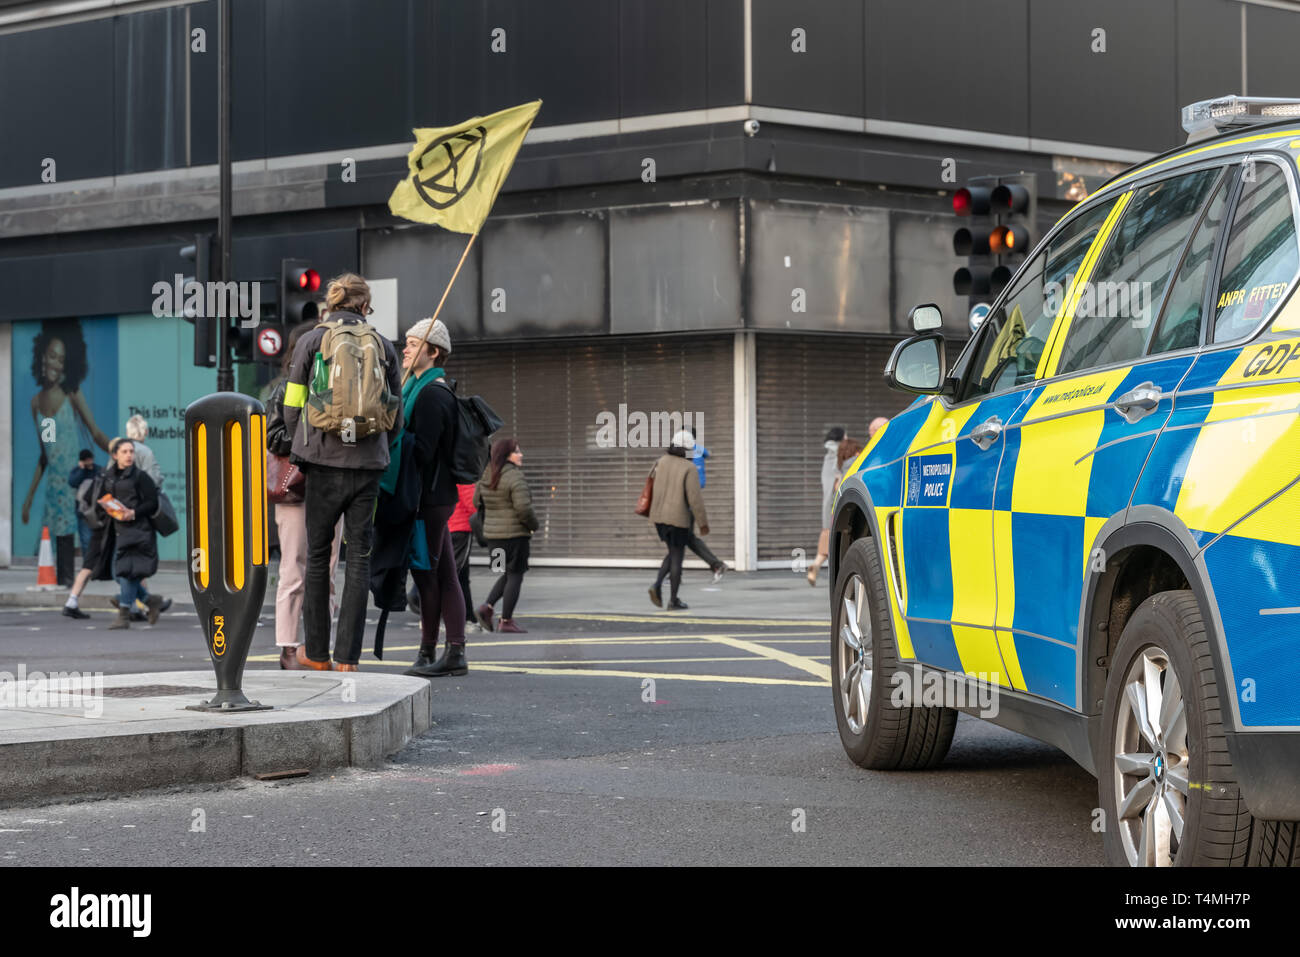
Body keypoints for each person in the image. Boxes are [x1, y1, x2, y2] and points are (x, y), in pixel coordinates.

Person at [281, 273, 403, 672]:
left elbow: (292, 403)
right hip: (368, 467)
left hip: (323, 464)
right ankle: (349, 658)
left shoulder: (312, 341)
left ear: (330, 304)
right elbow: (395, 417)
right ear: (365, 305)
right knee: (359, 558)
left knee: (318, 557)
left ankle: (316, 653)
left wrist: (304, 445)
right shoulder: (384, 346)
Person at [395, 317, 471, 677]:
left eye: (413, 344)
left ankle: (439, 652)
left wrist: (391, 434)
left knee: (428, 575)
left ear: (434, 351)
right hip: (433, 497)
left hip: (429, 498)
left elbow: (422, 451)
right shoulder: (418, 389)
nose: (405, 349)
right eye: (406, 343)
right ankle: (445, 651)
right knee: (441, 574)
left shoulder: (431, 395)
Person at [267, 321, 343, 670]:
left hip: (330, 488)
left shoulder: (336, 388)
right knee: (293, 570)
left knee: (326, 572)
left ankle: (319, 647)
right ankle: (287, 647)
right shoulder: (285, 390)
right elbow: (274, 438)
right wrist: (311, 434)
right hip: (297, 492)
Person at [21, 320, 111, 587]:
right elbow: (46, 453)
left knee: (81, 533)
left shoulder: (71, 393)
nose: (55, 364)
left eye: (61, 359)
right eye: (52, 356)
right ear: (41, 355)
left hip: (75, 483)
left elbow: (94, 432)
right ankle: (64, 580)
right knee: (57, 537)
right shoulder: (37, 403)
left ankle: (87, 575)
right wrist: (28, 500)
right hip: (55, 489)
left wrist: (116, 450)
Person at [93, 437, 164, 629]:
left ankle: (123, 613)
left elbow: (152, 502)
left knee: (127, 573)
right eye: (124, 452)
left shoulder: (141, 477)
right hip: (117, 531)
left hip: (139, 532)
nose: (129, 455)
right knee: (120, 574)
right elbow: (100, 498)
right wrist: (107, 508)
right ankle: (149, 600)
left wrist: (133, 512)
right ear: (115, 455)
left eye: (131, 452)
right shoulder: (108, 476)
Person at [474, 438, 538, 634]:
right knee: (516, 575)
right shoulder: (515, 478)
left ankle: (487, 607)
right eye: (517, 452)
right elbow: (523, 509)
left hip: (493, 538)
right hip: (515, 537)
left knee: (505, 573)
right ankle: (506, 620)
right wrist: (534, 526)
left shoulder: (486, 475)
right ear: (507, 456)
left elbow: (477, 502)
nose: (521, 455)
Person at [647, 429, 709, 610]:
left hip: (659, 518)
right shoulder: (688, 467)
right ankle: (672, 599)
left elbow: (650, 485)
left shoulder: (660, 462)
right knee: (677, 557)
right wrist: (702, 523)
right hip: (678, 518)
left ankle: (658, 586)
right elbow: (694, 499)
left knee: (673, 552)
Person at [683, 430, 726, 583]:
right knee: (684, 538)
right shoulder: (699, 449)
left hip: (686, 499)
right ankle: (672, 573)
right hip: (695, 495)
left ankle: (671, 574)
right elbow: (709, 453)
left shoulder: (684, 452)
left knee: (679, 539)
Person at [807, 426, 845, 587]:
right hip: (835, 504)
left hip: (826, 505)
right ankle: (837, 576)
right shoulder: (840, 457)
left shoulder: (827, 457)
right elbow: (839, 481)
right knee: (836, 540)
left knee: (827, 537)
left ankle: (815, 565)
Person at [448, 483, 480, 630]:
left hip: (447, 526)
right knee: (457, 575)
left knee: (459, 575)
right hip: (460, 528)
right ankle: (465, 617)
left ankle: (468, 616)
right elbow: (471, 504)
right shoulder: (464, 476)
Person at [67, 449, 101, 558]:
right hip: (83, 512)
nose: (88, 462)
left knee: (98, 539)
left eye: (89, 459)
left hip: (98, 511)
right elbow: (72, 482)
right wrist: (82, 470)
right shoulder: (78, 471)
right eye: (85, 460)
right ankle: (88, 564)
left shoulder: (98, 470)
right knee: (86, 540)